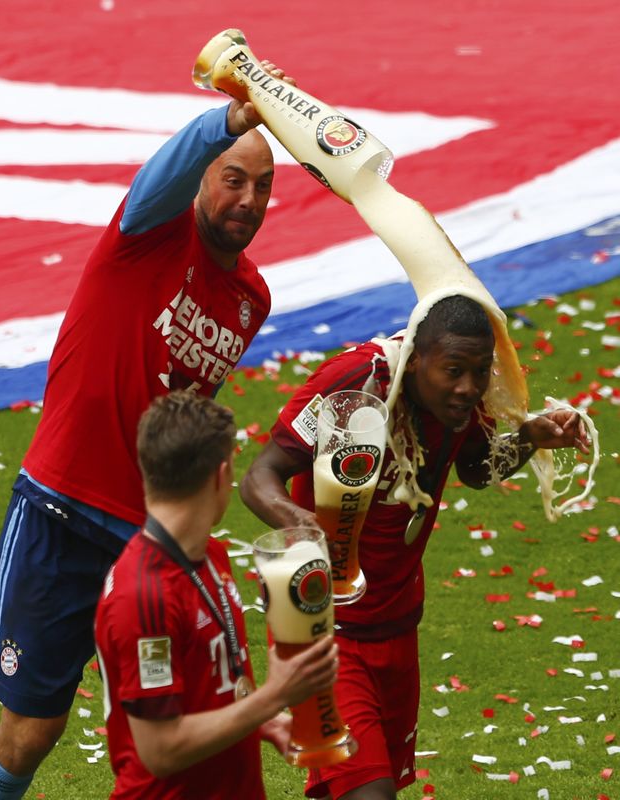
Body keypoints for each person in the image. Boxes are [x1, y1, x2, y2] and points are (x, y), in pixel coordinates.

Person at [0, 60, 291, 798]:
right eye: (231, 178)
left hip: (151, 535)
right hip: (59, 506)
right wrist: (229, 122)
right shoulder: (145, 232)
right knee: (31, 732)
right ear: (202, 178)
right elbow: (161, 172)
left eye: (262, 185)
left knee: (184, 718)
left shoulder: (251, 298)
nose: (246, 199)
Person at [239, 294, 589, 800]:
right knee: (369, 793)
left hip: (398, 625)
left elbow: (473, 466)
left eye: (479, 371)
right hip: (324, 633)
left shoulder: (465, 396)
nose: (468, 388)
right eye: (453, 371)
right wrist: (308, 529)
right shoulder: (357, 383)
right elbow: (258, 478)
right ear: (418, 359)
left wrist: (528, 437)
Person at [95, 391, 338, 798]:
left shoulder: (209, 553)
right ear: (220, 474)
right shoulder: (145, 596)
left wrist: (264, 722)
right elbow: (161, 749)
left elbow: (206, 686)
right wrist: (274, 697)